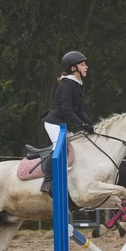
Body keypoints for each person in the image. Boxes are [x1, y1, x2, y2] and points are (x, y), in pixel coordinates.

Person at [41, 51, 94, 193]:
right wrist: (81, 124)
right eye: (82, 65)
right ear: (73, 68)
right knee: (58, 148)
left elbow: (80, 110)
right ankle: (48, 180)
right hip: (54, 123)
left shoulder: (78, 84)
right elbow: (66, 110)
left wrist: (90, 124)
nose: (86, 67)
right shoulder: (67, 85)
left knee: (75, 149)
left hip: (64, 125)